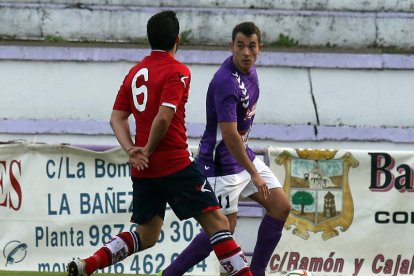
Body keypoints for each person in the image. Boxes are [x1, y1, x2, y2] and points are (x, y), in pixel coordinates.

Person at [66, 11, 253, 276]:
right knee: (218, 222)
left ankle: (91, 264)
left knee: (147, 233)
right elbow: (164, 117)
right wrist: (148, 149)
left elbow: (116, 118)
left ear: (149, 39)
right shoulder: (178, 71)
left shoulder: (135, 72)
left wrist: (133, 150)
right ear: (178, 39)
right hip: (174, 163)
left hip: (144, 169)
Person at [161, 22, 291, 276]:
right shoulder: (225, 81)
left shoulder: (250, 73)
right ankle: (171, 274)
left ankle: (258, 271)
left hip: (241, 157)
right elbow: (229, 135)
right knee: (223, 229)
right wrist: (253, 172)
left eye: (251, 46)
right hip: (220, 165)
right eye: (240, 46)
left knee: (280, 206)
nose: (246, 52)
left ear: (259, 48)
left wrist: (250, 167)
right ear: (231, 46)